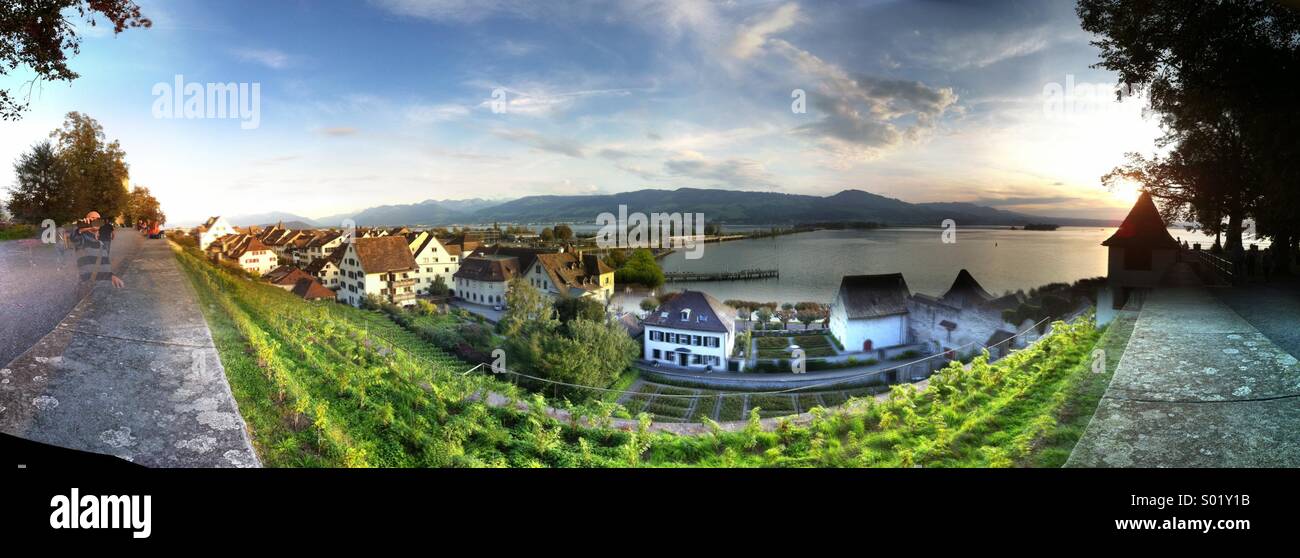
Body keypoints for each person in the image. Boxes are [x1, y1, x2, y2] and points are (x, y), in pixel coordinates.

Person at [72, 211, 125, 292]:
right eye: (93, 218)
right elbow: (74, 238)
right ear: (87, 220)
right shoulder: (82, 239)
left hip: (101, 289)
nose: (96, 220)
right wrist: (81, 229)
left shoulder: (101, 244)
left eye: (98, 219)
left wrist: (111, 276)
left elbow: (104, 266)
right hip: (88, 290)